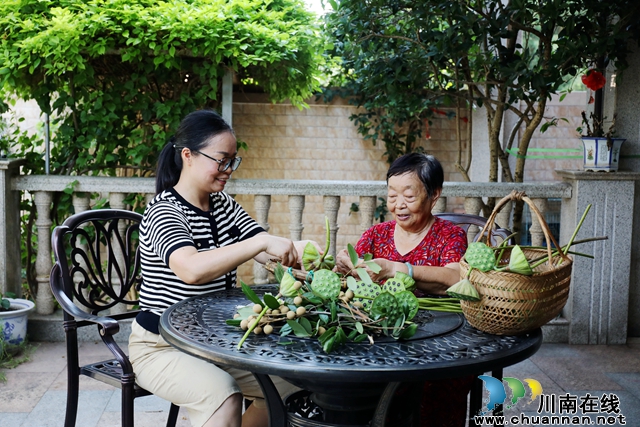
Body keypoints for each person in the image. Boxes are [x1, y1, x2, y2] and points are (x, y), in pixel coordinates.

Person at [129, 109, 318, 427]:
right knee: (225, 396)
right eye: (221, 159)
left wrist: (309, 250)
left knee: (295, 387)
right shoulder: (164, 211)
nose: (228, 169)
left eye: (233, 160)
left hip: (214, 344)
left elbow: (263, 245)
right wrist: (258, 244)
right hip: (160, 346)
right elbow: (190, 269)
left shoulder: (223, 206)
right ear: (188, 155)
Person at [335, 152, 472, 427]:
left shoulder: (450, 235)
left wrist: (398, 268)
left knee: (434, 393)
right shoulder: (377, 234)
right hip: (379, 342)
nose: (398, 205)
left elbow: (453, 277)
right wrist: (346, 264)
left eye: (408, 196)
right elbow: (356, 271)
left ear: (434, 194)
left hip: (436, 346)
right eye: (392, 196)